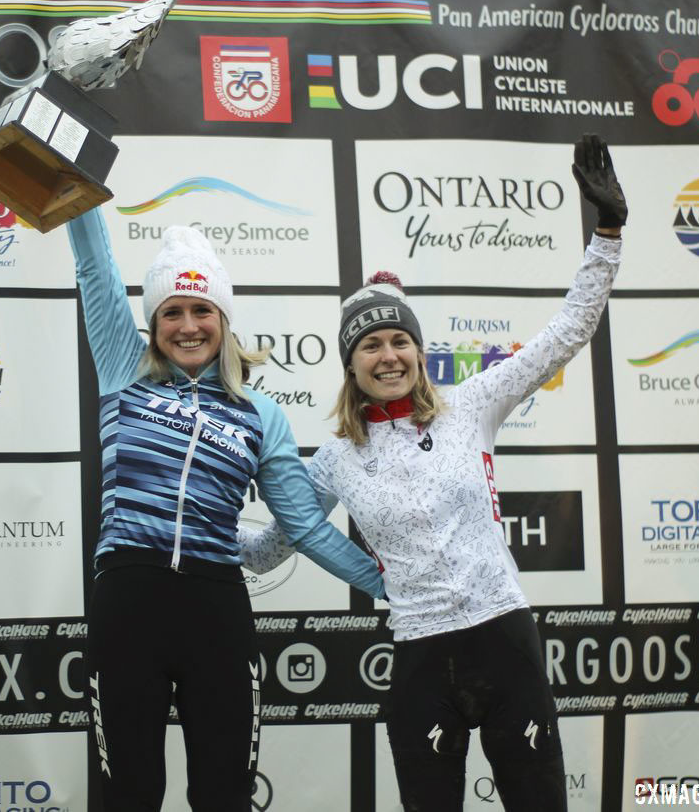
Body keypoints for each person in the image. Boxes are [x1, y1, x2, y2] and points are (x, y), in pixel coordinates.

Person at [240, 134, 628, 811]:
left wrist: (608, 233)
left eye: (399, 340)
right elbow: (278, 541)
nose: (387, 354)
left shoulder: (471, 405)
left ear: (419, 351)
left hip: (504, 638)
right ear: (350, 362)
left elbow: (568, 330)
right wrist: (197, 531)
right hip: (420, 653)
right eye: (370, 344)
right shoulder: (334, 456)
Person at [65, 209, 384, 810]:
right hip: (129, 602)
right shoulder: (122, 368)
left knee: (223, 792)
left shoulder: (261, 413)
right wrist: (70, 176)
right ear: (152, 323)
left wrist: (388, 584)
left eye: (201, 309)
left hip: (215, 609)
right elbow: (93, 265)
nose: (188, 326)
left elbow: (305, 527)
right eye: (171, 312)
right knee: (130, 791)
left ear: (224, 319)